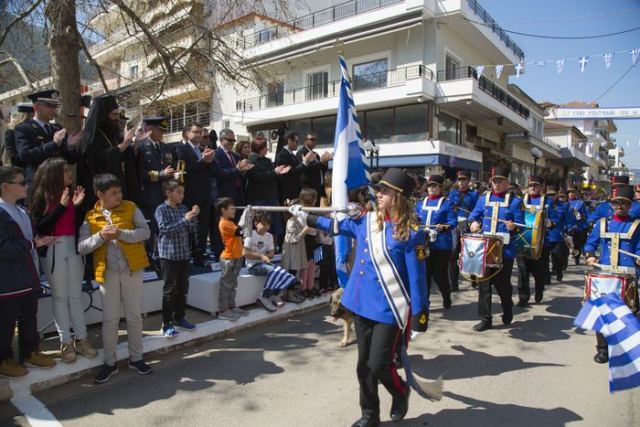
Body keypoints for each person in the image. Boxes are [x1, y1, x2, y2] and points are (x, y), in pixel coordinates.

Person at [290, 168, 429, 427]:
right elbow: (336, 226)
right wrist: (305, 216)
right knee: (363, 366)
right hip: (361, 302)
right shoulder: (368, 220)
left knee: (379, 364)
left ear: (399, 196)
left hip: (389, 306)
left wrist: (420, 316)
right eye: (379, 189)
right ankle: (370, 415)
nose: (379, 194)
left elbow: (418, 278)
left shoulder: (411, 231)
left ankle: (400, 391)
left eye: (385, 191)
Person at [78, 173, 152, 384]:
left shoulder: (130, 207)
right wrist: (101, 236)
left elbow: (145, 232)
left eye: (119, 191)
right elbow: (82, 248)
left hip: (132, 270)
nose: (118, 196)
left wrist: (121, 234)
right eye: (113, 193)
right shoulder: (91, 216)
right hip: (107, 273)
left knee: (134, 316)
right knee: (110, 320)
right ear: (100, 195)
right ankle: (110, 363)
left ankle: (136, 358)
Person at [30, 158, 97, 363]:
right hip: (53, 247)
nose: (70, 174)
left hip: (72, 247)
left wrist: (75, 206)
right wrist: (61, 206)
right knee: (60, 296)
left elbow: (75, 224)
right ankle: (65, 341)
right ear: (54, 174)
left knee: (75, 295)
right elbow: (41, 227)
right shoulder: (42, 196)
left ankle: (82, 338)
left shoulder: (70, 194)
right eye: (66, 171)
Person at [0, 166, 57, 377]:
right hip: (8, 280)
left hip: (28, 275)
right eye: (21, 182)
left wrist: (40, 242)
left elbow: (31, 240)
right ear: (5, 186)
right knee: (5, 323)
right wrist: (34, 244)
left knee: (29, 317)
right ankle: (3, 359)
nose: (26, 186)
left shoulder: (23, 211)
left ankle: (30, 352)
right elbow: (3, 248)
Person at [584, 184, 640, 364]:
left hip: (627, 275)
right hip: (604, 274)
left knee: (629, 314)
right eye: (616, 203)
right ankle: (602, 350)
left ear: (630, 205)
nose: (619, 206)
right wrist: (590, 255)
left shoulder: (636, 226)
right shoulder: (602, 224)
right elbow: (590, 244)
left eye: (623, 203)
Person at [469, 166, 524, 332]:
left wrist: (513, 226)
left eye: (500, 181)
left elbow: (522, 226)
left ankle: (507, 308)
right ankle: (485, 319)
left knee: (502, 284)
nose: (496, 184)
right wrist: (473, 222)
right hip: (485, 248)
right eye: (494, 181)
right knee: (484, 284)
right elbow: (474, 215)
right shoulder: (483, 198)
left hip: (504, 250)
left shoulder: (516, 201)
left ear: (507, 183)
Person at [78, 94, 145, 210]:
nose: (117, 118)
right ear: (103, 115)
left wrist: (134, 145)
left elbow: (124, 158)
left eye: (118, 115)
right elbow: (97, 160)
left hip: (118, 191)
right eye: (114, 114)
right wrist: (123, 145)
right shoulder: (91, 137)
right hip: (101, 195)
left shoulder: (113, 134)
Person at [155, 180, 199, 337]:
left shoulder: (183, 208)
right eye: (178, 192)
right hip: (168, 256)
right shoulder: (161, 209)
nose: (182, 195)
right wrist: (185, 219)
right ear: (168, 193)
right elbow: (165, 229)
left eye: (183, 192)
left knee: (182, 289)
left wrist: (193, 217)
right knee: (169, 290)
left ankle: (180, 317)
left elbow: (191, 229)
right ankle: (166, 323)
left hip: (183, 255)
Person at [14, 89, 80, 185]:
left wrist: (70, 146)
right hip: (39, 182)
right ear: (36, 107)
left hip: (59, 181)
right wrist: (53, 144)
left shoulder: (57, 128)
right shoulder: (24, 128)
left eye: (55, 106)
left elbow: (72, 160)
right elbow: (26, 156)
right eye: (49, 106)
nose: (53, 110)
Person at [243, 211, 304, 311]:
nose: (266, 227)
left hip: (265, 264)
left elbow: (271, 254)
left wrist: (264, 257)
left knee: (284, 273)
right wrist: (261, 256)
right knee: (274, 271)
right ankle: (264, 296)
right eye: (263, 224)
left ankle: (274, 295)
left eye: (268, 224)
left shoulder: (269, 236)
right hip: (253, 266)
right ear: (255, 224)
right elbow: (244, 253)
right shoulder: (250, 235)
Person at [175, 122, 215, 266]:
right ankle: (188, 256)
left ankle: (200, 256)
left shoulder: (203, 149)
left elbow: (210, 172)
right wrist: (202, 161)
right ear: (187, 133)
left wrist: (209, 161)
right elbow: (185, 171)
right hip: (191, 195)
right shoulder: (181, 149)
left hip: (205, 195)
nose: (199, 134)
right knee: (190, 228)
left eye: (200, 132)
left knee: (203, 228)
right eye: (195, 132)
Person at [138, 116, 175, 273]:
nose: (163, 133)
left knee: (163, 230)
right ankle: (148, 260)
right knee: (151, 230)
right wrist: (160, 174)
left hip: (165, 195)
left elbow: (170, 167)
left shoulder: (166, 148)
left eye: (164, 130)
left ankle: (162, 259)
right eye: (160, 130)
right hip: (150, 196)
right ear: (151, 129)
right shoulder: (141, 147)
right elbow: (140, 173)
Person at [415, 174, 457, 308]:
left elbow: (453, 222)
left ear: (440, 187)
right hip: (423, 243)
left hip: (441, 245)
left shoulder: (447, 203)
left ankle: (446, 295)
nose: (431, 188)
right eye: (429, 186)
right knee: (424, 274)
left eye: (435, 186)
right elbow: (416, 219)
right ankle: (424, 303)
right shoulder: (420, 203)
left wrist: (444, 226)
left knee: (439, 275)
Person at [516, 176, 553, 307]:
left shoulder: (548, 202)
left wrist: (551, 223)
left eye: (536, 185)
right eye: (531, 185)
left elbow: (555, 219)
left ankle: (539, 291)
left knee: (539, 272)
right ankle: (523, 297)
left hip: (541, 243)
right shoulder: (520, 201)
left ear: (541, 187)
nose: (533, 187)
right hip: (522, 240)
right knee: (522, 271)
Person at [245, 135, 290, 245]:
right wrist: (274, 172)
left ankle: (273, 247)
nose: (267, 149)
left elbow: (272, 175)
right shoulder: (252, 160)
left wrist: (280, 173)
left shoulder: (267, 160)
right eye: (265, 146)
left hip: (271, 195)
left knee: (274, 224)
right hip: (259, 197)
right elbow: (256, 176)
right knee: (261, 223)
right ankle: (260, 246)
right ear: (259, 147)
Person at [217, 197, 248, 321]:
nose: (234, 210)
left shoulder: (229, 222)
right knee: (226, 285)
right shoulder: (225, 223)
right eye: (232, 208)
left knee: (233, 284)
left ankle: (231, 306)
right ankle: (223, 310)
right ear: (223, 210)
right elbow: (242, 231)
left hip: (236, 257)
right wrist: (246, 214)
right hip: (228, 259)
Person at [448, 170, 479, 290]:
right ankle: (454, 284)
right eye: (459, 180)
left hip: (468, 225)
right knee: (453, 255)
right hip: (456, 226)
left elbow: (477, 211)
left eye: (464, 180)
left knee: (470, 254)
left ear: (469, 181)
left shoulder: (474, 194)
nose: (461, 182)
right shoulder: (453, 193)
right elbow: (449, 209)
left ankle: (473, 278)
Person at [545, 185, 576, 283]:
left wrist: (570, 230)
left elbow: (569, 219)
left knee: (557, 257)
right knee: (544, 259)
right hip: (545, 236)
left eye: (553, 194)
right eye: (548, 195)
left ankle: (558, 271)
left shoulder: (564, 206)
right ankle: (546, 278)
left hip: (558, 236)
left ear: (557, 194)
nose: (550, 197)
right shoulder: (543, 205)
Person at [275, 132, 315, 204]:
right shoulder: (282, 155)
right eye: (296, 141)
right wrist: (305, 162)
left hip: (295, 193)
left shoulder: (292, 155)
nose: (298, 144)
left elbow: (298, 170)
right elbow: (290, 173)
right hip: (287, 194)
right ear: (289, 141)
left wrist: (307, 162)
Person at [281, 198, 309, 300]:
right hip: (292, 250)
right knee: (291, 271)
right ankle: (288, 294)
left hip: (297, 249)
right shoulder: (291, 222)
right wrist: (304, 231)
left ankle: (291, 293)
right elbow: (294, 239)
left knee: (294, 271)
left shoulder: (296, 220)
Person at [296, 132, 332, 202]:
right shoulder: (301, 153)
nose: (314, 141)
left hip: (318, 188)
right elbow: (306, 169)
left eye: (315, 140)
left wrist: (326, 161)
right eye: (312, 139)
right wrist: (321, 161)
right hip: (309, 188)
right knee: (310, 209)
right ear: (305, 141)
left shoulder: (316, 154)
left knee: (317, 209)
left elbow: (321, 169)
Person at [2, 103, 33, 167]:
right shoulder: (11, 131)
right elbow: (12, 156)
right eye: (32, 116)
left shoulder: (34, 129)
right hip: (20, 170)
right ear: (26, 116)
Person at [568, 187, 588, 265]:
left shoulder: (580, 203)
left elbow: (585, 215)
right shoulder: (565, 203)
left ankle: (577, 258)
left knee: (577, 244)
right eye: (569, 192)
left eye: (573, 192)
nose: (571, 194)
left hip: (578, 227)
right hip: (568, 226)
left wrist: (581, 216)